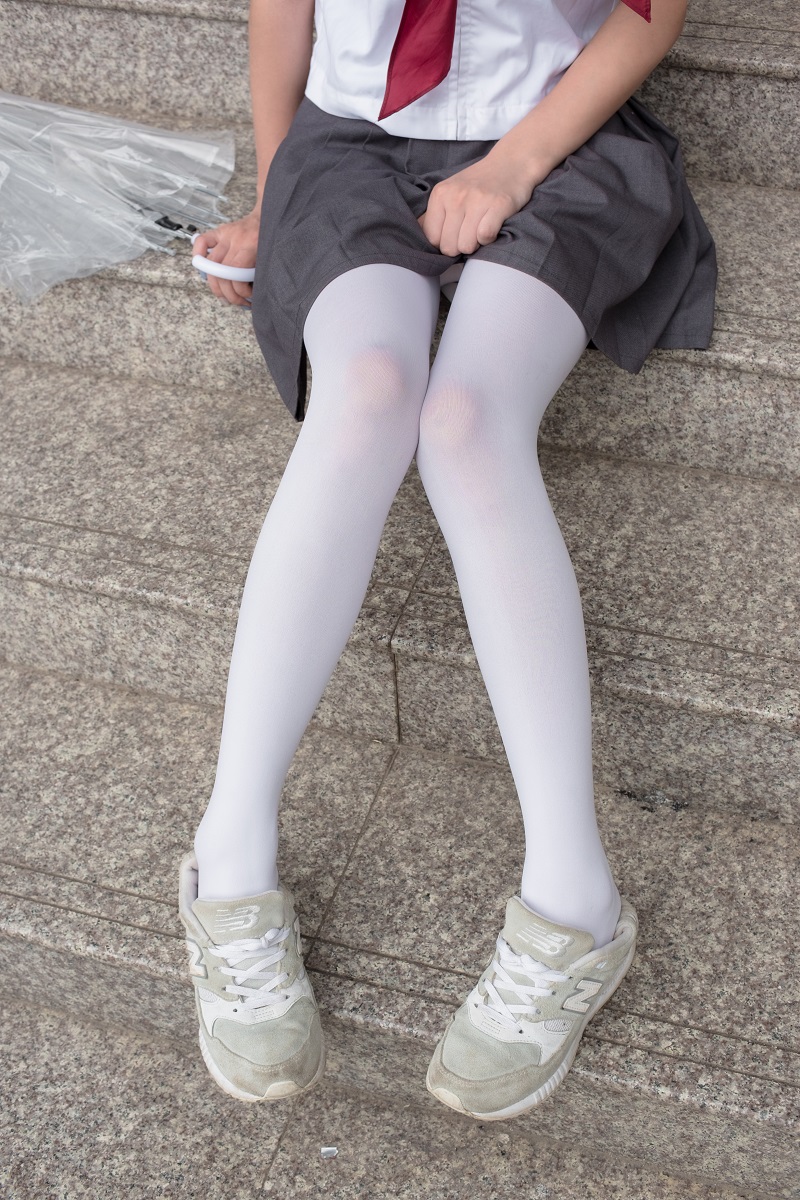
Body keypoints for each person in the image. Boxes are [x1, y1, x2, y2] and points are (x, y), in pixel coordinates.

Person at [177, 0, 716, 1120]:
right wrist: (277, 196)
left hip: (555, 131)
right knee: (369, 392)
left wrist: (511, 168)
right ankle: (227, 862)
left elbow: (649, 11)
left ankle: (574, 900)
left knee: (465, 422)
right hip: (351, 134)